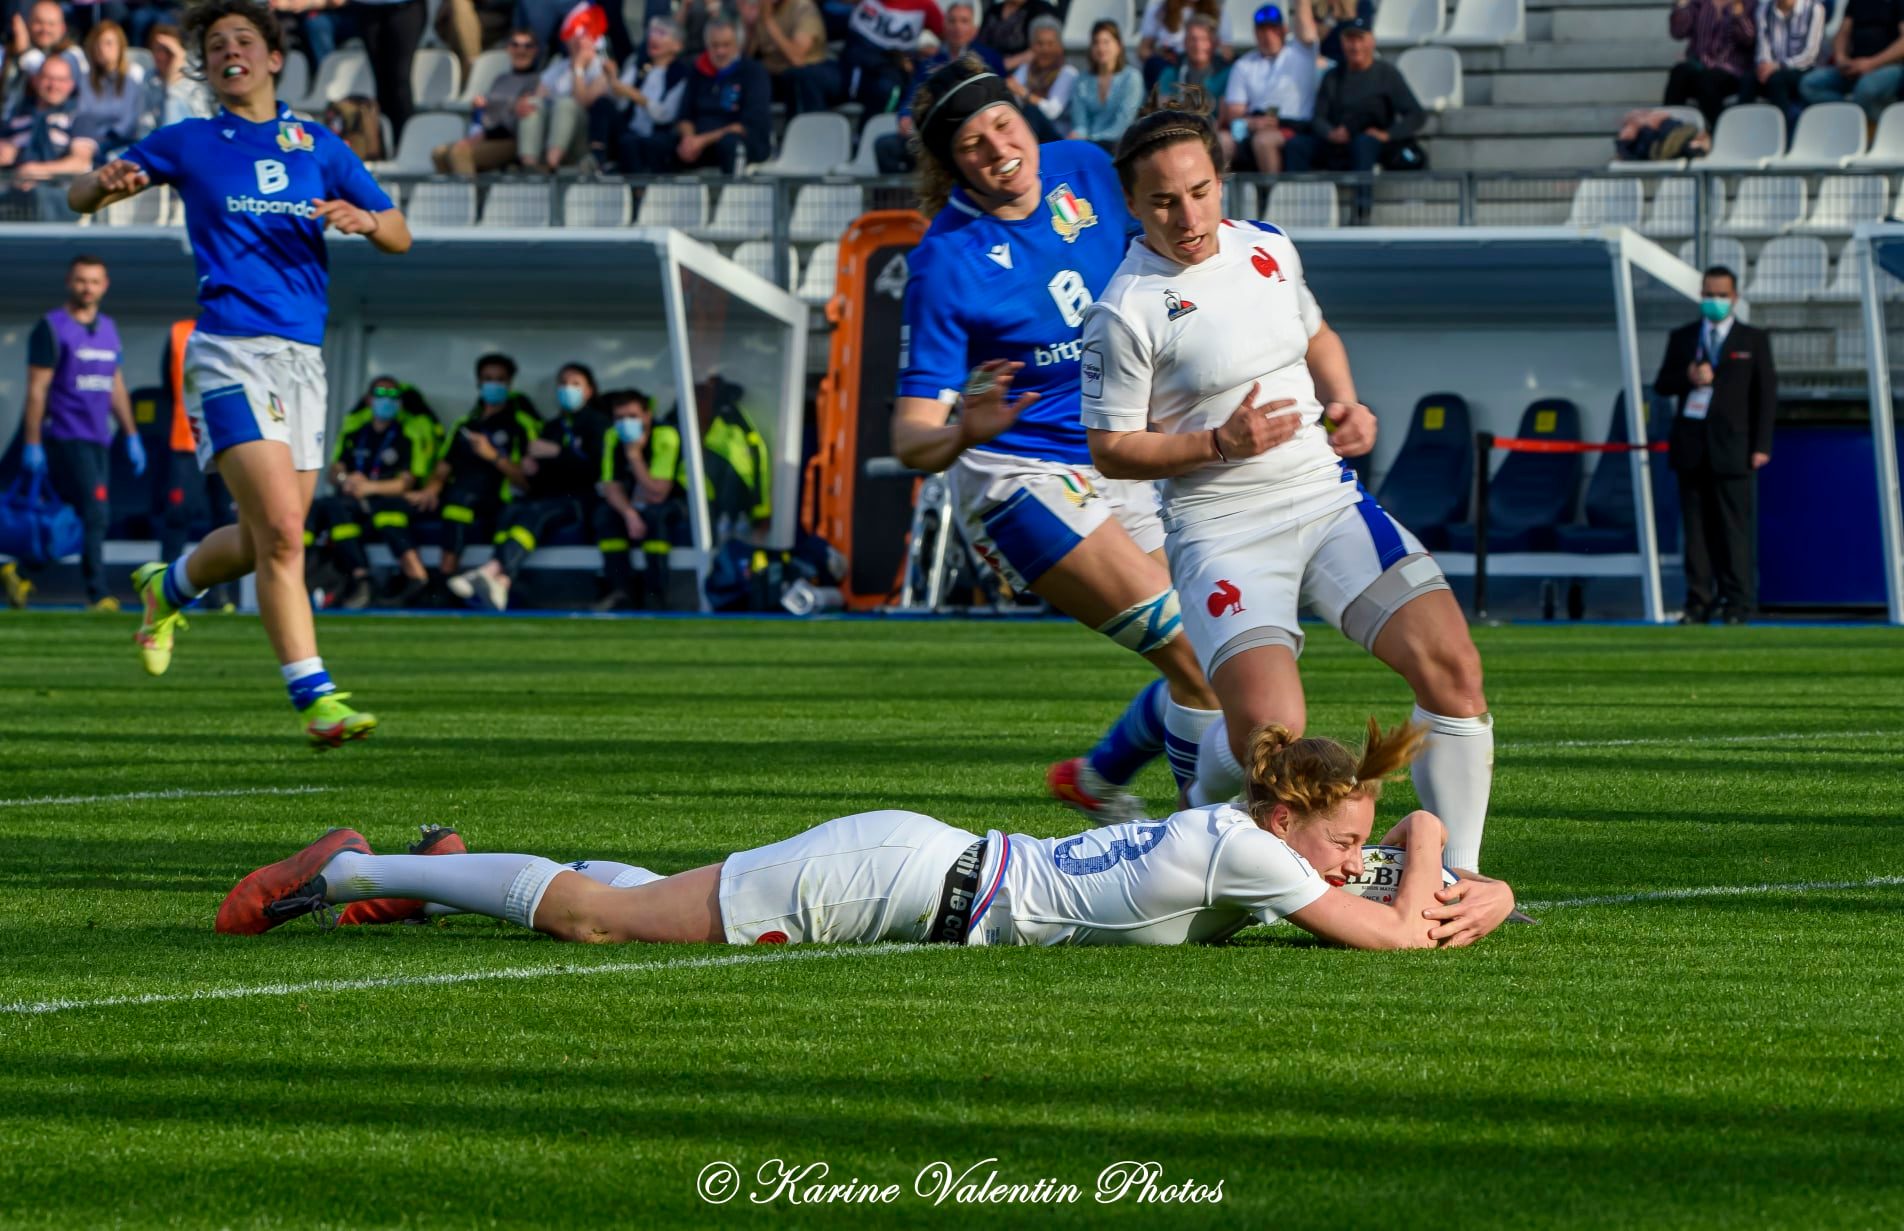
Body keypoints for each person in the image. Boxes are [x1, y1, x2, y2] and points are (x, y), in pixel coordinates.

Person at [1077, 97, 1511, 938]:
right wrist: (1218, 441)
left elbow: (1319, 338)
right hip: (1223, 528)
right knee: (1272, 736)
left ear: (1219, 180)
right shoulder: (1123, 309)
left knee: (1454, 670)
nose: (1188, 215)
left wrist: (1347, 404)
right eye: (1164, 200)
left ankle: (1457, 877)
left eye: (1199, 192)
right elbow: (1111, 448)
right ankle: (1205, 809)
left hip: (1327, 495)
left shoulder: (1268, 246)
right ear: (1133, 204)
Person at [218, 715, 1517, 949]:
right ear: (1291, 813)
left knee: (653, 900)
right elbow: (1402, 933)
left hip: (921, 861)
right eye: (1342, 836)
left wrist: (1477, 881)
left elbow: (1428, 897)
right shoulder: (1258, 852)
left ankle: (442, 873)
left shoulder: (1258, 843)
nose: (1352, 859)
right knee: (599, 917)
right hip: (899, 882)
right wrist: (1432, 847)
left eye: (1355, 844)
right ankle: (349, 864)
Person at [891, 58, 1226, 824]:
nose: (998, 148)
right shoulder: (946, 262)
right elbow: (910, 440)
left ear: (1026, 114)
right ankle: (1199, 843)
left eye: (1003, 124)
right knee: (1200, 657)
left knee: (1217, 647)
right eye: (972, 144)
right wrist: (962, 428)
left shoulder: (1082, 165)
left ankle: (1101, 779)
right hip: (1019, 475)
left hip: (1118, 452)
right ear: (951, 164)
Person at [69, 0, 412, 747]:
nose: (230, 51)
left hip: (302, 362)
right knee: (286, 533)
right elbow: (79, 195)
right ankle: (315, 696)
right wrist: (105, 185)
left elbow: (400, 233)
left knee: (268, 540)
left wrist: (366, 220)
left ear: (274, 58)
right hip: (226, 350)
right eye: (216, 43)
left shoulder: (317, 143)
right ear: (207, 66)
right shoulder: (189, 141)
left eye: (244, 40)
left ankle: (170, 585)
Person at [15, 254, 145, 612]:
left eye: (94, 281)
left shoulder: (108, 328)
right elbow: (36, 389)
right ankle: (97, 592)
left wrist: (130, 433)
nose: (87, 288)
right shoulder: (52, 327)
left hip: (99, 438)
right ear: (69, 283)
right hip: (65, 437)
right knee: (96, 512)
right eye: (80, 280)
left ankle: (21, 571)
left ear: (105, 286)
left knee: (82, 514)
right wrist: (32, 443)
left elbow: (115, 384)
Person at [1651, 265, 1776, 625]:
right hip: (1692, 448)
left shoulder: (1752, 340)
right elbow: (1662, 384)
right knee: (1695, 531)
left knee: (1734, 529)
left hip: (1735, 449)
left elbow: (1765, 396)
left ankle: (1738, 603)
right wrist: (1688, 378)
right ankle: (1698, 601)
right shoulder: (1684, 338)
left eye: (1721, 295)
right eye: (1708, 294)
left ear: (1734, 298)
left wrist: (1761, 445)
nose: (1714, 301)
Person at [447, 361, 609, 611]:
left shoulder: (598, 423)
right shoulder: (552, 426)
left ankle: (493, 571)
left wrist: (557, 453)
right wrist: (534, 468)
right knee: (513, 511)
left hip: (581, 499)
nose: (568, 389)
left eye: (575, 384)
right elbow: (542, 478)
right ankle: (500, 581)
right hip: (550, 496)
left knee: (535, 512)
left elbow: (598, 469)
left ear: (589, 390)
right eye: (563, 384)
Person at [411, 352, 541, 581]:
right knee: (454, 499)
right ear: (479, 383)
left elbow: (529, 481)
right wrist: (431, 489)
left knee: (461, 499)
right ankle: (433, 580)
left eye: (499, 380)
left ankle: (449, 575)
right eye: (488, 379)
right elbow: (443, 467)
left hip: (502, 500)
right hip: (460, 496)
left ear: (510, 384)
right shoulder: (465, 424)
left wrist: (492, 456)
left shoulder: (522, 424)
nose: (493, 384)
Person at [305, 377, 429, 608]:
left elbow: (407, 482)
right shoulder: (355, 432)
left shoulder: (407, 434)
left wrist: (369, 487)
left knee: (387, 514)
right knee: (327, 506)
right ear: (369, 399)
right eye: (381, 394)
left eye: (393, 396)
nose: (387, 400)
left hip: (388, 502)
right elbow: (335, 471)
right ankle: (318, 571)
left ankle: (414, 578)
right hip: (354, 504)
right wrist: (347, 480)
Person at [1283, 17, 1422, 181]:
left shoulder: (1386, 74)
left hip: (1371, 145)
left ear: (1372, 41)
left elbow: (1416, 114)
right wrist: (1330, 133)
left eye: (1360, 39)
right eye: (1350, 40)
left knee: (1364, 144)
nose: (1355, 47)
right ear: (1342, 42)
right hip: (1336, 143)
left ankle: (1361, 205)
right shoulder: (1332, 76)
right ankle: (1294, 199)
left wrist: (1386, 135)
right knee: (1296, 145)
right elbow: (1318, 118)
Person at [625, 16, 767, 172]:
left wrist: (702, 140)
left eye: (726, 45)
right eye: (715, 45)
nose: (720, 51)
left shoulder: (753, 72)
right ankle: (653, 194)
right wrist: (689, 139)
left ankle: (734, 194)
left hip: (734, 141)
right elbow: (685, 115)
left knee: (729, 144)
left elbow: (746, 125)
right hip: (699, 142)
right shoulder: (697, 70)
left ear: (738, 45)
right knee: (657, 143)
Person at [874, 0, 998, 174]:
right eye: (952, 21)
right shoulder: (929, 63)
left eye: (964, 21)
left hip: (970, 135)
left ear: (974, 29)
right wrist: (905, 116)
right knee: (885, 146)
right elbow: (912, 98)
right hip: (931, 136)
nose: (957, 27)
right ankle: (901, 200)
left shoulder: (989, 59)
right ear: (944, 26)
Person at [590, 387, 685, 610]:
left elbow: (657, 492)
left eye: (632, 417)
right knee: (605, 515)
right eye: (619, 418)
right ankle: (621, 592)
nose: (625, 423)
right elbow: (610, 485)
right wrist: (629, 514)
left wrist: (634, 456)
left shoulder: (665, 435)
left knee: (656, 516)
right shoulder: (613, 436)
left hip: (676, 501)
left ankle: (655, 595)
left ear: (647, 415)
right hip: (634, 502)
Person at [785, 0, 941, 116]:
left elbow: (951, 36)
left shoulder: (925, 6)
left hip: (885, 75)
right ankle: (816, 136)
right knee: (806, 76)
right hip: (848, 71)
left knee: (888, 90)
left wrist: (927, 51)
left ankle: (864, 141)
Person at [1218, 0, 1317, 174]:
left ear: (1284, 30)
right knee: (1221, 141)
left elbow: (1307, 31)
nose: (1267, 35)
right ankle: (1219, 198)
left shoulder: (1302, 54)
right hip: (1253, 125)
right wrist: (1252, 123)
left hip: (1295, 127)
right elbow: (1235, 115)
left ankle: (1272, 197)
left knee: (1263, 142)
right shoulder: (1244, 64)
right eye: (1262, 30)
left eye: (1273, 29)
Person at [432, 26, 539, 173]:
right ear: (508, 48)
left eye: (527, 46)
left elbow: (516, 120)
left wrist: (483, 136)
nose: (521, 50)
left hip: (510, 141)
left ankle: (468, 195)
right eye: (515, 45)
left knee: (459, 154)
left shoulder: (535, 81)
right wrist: (479, 107)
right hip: (487, 136)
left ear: (535, 50)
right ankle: (453, 194)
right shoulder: (500, 79)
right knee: (439, 153)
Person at [1, 56, 99, 215]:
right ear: (35, 80)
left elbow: (81, 163)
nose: (53, 85)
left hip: (58, 198)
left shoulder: (79, 118)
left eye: (60, 80)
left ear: (70, 85)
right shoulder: (15, 117)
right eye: (48, 78)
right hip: (12, 195)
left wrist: (34, 171)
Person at [517, 6, 608, 170]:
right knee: (532, 105)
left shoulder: (602, 67)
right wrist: (526, 104)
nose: (579, 41)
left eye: (584, 35)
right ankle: (530, 166)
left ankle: (552, 163)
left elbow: (583, 102)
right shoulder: (558, 67)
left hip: (582, 137)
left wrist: (578, 68)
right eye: (574, 35)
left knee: (566, 104)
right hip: (551, 129)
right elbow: (540, 96)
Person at [595, 14, 686, 167]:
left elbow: (666, 115)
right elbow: (620, 102)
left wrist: (637, 96)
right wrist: (612, 78)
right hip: (630, 129)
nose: (653, 38)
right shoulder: (638, 64)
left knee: (639, 143)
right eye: (652, 32)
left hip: (660, 135)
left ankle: (640, 188)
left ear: (677, 45)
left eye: (661, 33)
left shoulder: (681, 74)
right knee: (602, 104)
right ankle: (597, 158)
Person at [1798, 0, 1904, 119]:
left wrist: (1871, 63)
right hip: (1854, 67)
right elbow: (1843, 33)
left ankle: (1869, 122)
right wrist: (1841, 59)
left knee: (1865, 89)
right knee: (1809, 84)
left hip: (1888, 66)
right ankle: (1851, 113)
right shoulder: (1856, 2)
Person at [1665, 0, 1755, 128]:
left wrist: (1739, 14)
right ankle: (1668, 130)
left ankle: (1725, 132)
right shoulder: (1699, 3)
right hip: (1699, 66)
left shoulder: (1749, 3)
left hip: (1732, 71)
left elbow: (1749, 40)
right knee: (1679, 72)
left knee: (1708, 80)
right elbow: (1678, 32)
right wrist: (1681, 5)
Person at [350, 0, 425, 139]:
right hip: (368, 8)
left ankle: (406, 141)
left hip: (404, 8)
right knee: (381, 83)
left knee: (399, 80)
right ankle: (383, 144)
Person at [1068, 19, 1141, 149]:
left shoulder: (1132, 78)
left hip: (1118, 145)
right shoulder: (1082, 80)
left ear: (1119, 46)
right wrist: (1078, 134)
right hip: (1088, 144)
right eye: (1096, 42)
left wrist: (1091, 140)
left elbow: (1123, 124)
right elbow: (1080, 123)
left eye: (1106, 42)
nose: (1101, 48)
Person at [741, 0, 825, 108]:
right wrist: (750, 27)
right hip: (771, 75)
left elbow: (797, 59)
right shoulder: (761, 8)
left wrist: (768, 21)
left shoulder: (803, 7)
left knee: (796, 77)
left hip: (805, 74)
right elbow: (746, 57)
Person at [1, 0, 85, 106]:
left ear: (63, 28)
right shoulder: (11, 50)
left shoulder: (73, 54)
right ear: (28, 24)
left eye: (51, 24)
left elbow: (46, 71)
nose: (45, 29)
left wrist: (24, 51)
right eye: (39, 23)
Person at [1754, 0, 1827, 118]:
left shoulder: (1815, 9)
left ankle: (1782, 131)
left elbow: (1810, 56)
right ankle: (1739, 130)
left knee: (1777, 81)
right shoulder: (1764, 9)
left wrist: (1777, 66)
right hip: (1772, 69)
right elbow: (1763, 46)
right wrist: (1765, 64)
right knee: (1749, 80)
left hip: (1804, 69)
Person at [1005, 15, 1072, 141]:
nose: (1045, 49)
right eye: (1039, 44)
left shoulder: (1068, 73)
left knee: (1031, 111)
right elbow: (1012, 97)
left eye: (1050, 44)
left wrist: (1024, 94)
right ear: (1032, 46)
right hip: (1029, 131)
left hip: (1056, 138)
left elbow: (1052, 111)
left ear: (1059, 46)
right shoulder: (1025, 69)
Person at [1137, 0, 1226, 90]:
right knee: (1156, 65)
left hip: (1205, 66)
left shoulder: (1217, 13)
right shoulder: (1159, 10)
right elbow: (1143, 50)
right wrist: (1159, 54)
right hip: (1170, 65)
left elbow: (1227, 53)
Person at [1155, 13, 1228, 115]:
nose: (1197, 45)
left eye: (1204, 39)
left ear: (1214, 44)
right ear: (1185, 42)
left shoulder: (1228, 74)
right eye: (1192, 39)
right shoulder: (1170, 73)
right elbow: (1164, 110)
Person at [145, 23, 214, 126]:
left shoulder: (193, 79)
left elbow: (199, 119)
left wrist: (171, 86)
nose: (162, 56)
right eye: (157, 49)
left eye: (168, 50)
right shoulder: (149, 77)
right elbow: (145, 122)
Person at [974, 0, 1054, 72]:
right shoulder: (993, 10)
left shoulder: (1040, 10)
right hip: (986, 65)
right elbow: (978, 42)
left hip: (1021, 72)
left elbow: (1043, 46)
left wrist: (1005, 65)